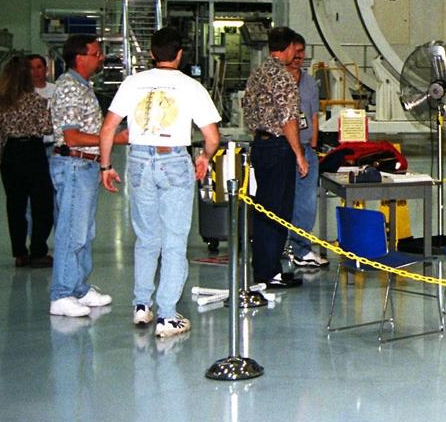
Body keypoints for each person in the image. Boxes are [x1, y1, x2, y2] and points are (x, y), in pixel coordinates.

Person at [98, 27, 221, 338]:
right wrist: (205, 157)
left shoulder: (132, 83)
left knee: (147, 238)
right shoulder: (191, 86)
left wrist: (106, 165)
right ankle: (167, 316)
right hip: (173, 161)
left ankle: (142, 305)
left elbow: (109, 127)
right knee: (174, 241)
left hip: (139, 161)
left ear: (151, 53)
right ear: (179, 55)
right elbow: (211, 137)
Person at [48, 34, 126, 318]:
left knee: (84, 231)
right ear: (80, 57)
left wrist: (104, 161)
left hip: (87, 165)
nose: (101, 57)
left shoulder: (83, 87)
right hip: (74, 166)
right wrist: (115, 140)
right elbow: (72, 137)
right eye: (96, 53)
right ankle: (62, 293)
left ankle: (78, 287)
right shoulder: (69, 87)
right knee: (72, 231)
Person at [241, 26, 309, 289]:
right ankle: (270, 273)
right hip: (279, 148)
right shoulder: (282, 77)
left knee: (263, 210)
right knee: (278, 211)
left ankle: (265, 268)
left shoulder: (258, 74)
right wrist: (298, 154)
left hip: (261, 144)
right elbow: (288, 119)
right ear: (290, 47)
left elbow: (247, 109)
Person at [0, 56, 54, 267]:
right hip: (33, 151)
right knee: (41, 203)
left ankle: (19, 252)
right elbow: (46, 128)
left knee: (15, 205)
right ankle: (38, 251)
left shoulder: (0, 101)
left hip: (11, 153)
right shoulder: (36, 101)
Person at [286, 34, 327, 268]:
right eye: (295, 51)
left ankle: (301, 250)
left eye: (302, 51)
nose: (298, 56)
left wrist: (313, 145)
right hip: (284, 150)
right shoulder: (279, 81)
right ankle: (281, 246)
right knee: (282, 202)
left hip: (306, 150)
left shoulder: (310, 82)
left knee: (306, 203)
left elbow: (313, 116)